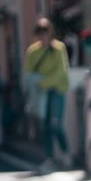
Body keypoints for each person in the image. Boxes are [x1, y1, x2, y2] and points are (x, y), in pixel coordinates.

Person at [24, 17, 70, 170]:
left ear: (50, 33)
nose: (43, 36)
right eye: (40, 33)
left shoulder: (59, 48)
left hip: (57, 90)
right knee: (45, 126)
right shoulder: (32, 52)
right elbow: (29, 73)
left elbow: (61, 72)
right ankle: (49, 158)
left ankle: (65, 153)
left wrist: (43, 82)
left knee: (55, 123)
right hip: (41, 93)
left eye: (46, 32)